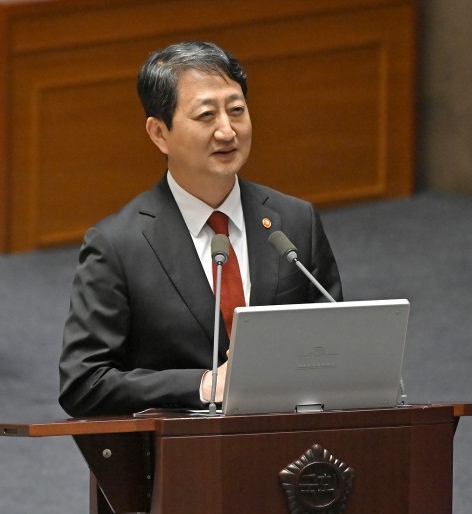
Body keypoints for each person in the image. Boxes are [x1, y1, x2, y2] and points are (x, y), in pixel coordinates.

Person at [58, 42, 342, 417]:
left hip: (293, 446)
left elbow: (336, 345)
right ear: (159, 133)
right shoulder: (117, 245)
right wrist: (202, 384)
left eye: (237, 111)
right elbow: (84, 383)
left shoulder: (295, 222)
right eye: (206, 116)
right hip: (180, 457)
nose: (227, 131)